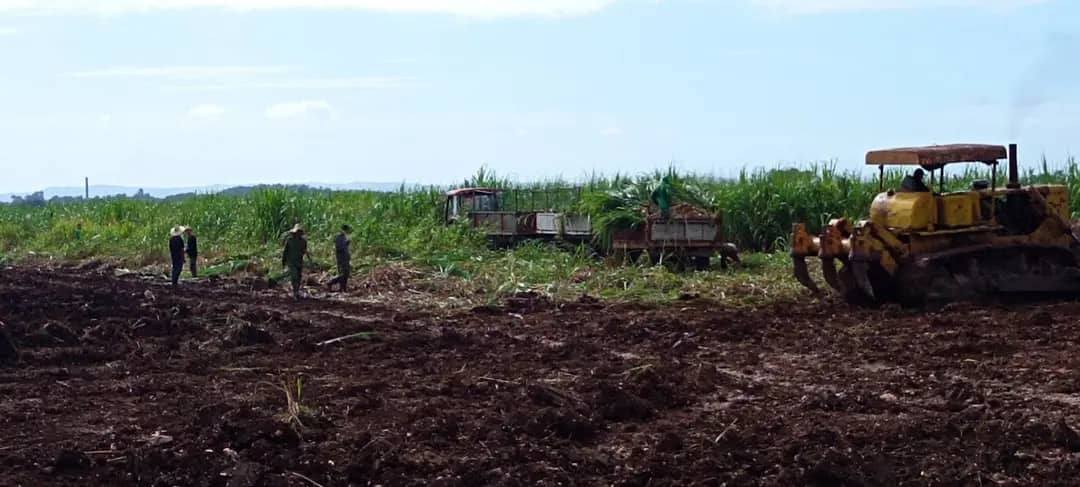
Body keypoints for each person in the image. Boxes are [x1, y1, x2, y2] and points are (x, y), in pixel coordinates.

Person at [282, 224, 308, 299]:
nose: (298, 234)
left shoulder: (303, 241)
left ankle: (297, 291)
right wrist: (284, 261)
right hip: (291, 261)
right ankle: (295, 291)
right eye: (297, 232)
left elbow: (304, 251)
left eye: (299, 232)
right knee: (294, 276)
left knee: (299, 276)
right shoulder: (290, 241)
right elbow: (285, 251)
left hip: (299, 261)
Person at [327, 224, 352, 292]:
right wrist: (346, 244)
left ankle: (342, 288)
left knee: (346, 273)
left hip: (345, 258)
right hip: (341, 258)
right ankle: (331, 282)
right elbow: (339, 248)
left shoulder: (344, 237)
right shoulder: (339, 237)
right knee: (343, 274)